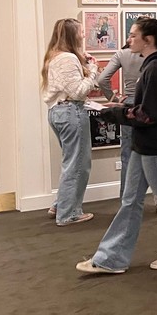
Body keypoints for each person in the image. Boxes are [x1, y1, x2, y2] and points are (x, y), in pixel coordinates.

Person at [76, 18, 157, 274]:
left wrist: (117, 114)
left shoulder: (156, 68)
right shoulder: (153, 66)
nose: (128, 40)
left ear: (148, 40)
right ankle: (111, 258)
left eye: (133, 36)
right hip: (146, 143)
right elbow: (148, 110)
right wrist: (121, 108)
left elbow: (153, 113)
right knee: (130, 200)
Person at [97, 44, 157, 213]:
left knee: (127, 156)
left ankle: (126, 203)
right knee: (155, 155)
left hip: (129, 107)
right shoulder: (156, 53)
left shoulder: (122, 54)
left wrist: (114, 98)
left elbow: (102, 80)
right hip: (150, 107)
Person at [42, 18, 97, 226]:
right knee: (78, 164)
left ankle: (60, 204)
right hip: (70, 111)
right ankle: (68, 213)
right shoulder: (67, 59)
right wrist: (92, 70)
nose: (84, 35)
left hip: (58, 112)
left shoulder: (55, 56)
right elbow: (78, 91)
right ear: (72, 35)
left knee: (70, 161)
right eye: (81, 32)